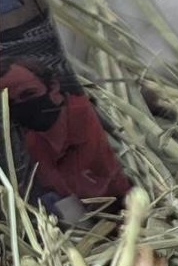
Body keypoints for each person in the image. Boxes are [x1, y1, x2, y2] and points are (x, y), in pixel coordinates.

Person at [0, 58, 130, 208]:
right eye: (10, 103)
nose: (22, 107)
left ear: (53, 87)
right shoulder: (33, 143)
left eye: (29, 94)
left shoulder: (91, 115)